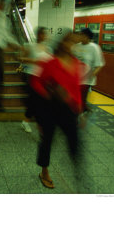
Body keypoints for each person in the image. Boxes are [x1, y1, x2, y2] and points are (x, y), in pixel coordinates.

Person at [30, 32, 86, 189]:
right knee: (47, 141)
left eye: (75, 43)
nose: (73, 46)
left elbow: (77, 87)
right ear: (62, 44)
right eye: (70, 42)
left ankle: (78, 172)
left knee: (74, 141)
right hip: (51, 108)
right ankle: (44, 171)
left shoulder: (76, 63)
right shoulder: (50, 63)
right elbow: (36, 82)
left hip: (69, 109)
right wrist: (49, 93)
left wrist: (80, 110)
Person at [19, 27, 53, 132]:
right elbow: (21, 59)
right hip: (32, 76)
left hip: (43, 78)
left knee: (35, 101)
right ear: (38, 35)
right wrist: (35, 61)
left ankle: (27, 121)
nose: (44, 36)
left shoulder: (48, 48)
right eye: (42, 34)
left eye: (45, 34)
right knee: (35, 100)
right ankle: (35, 122)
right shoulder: (30, 46)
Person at [72, 27, 105, 116]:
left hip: (86, 80)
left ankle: (80, 115)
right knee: (75, 98)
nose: (79, 36)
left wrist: (91, 75)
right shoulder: (76, 46)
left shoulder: (94, 48)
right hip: (75, 77)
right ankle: (80, 111)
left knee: (81, 98)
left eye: (81, 34)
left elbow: (99, 65)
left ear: (87, 36)